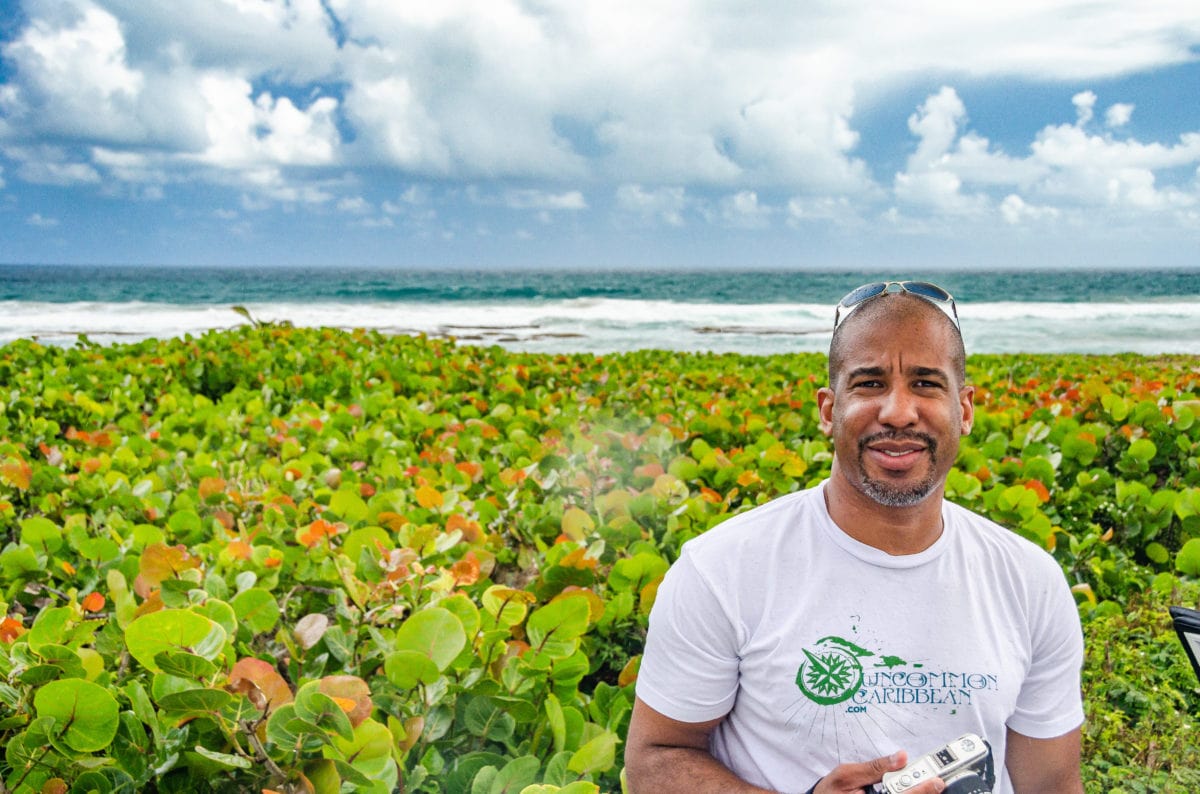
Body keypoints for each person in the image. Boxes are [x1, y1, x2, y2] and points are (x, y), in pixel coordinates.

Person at [624, 282, 1084, 794]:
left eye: (927, 384)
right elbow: (655, 759)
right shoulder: (723, 567)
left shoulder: (1030, 579)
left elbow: (1051, 781)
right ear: (828, 409)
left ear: (966, 409)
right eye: (869, 384)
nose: (898, 412)